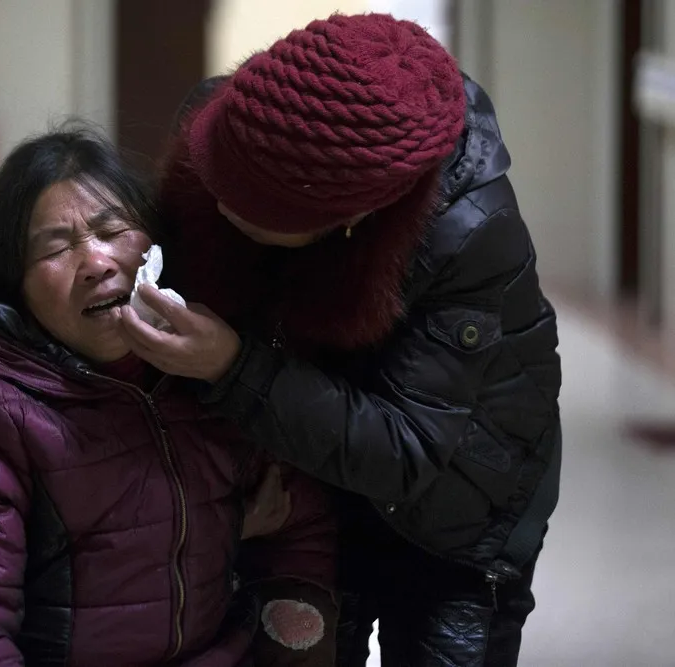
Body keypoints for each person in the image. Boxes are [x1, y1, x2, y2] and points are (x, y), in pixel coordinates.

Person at [117, 13, 562, 667]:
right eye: (217, 175)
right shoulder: (234, 133)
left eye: (255, 210)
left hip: (459, 512)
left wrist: (233, 367)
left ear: (351, 222)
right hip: (302, 484)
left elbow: (407, 449)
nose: (218, 205)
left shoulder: (467, 230)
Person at [0, 127, 340, 667]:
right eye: (55, 247)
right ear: (15, 286)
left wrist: (287, 648)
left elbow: (300, 526)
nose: (96, 262)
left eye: (112, 229)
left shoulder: (208, 364)